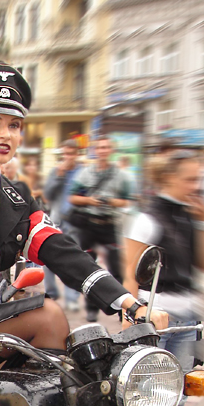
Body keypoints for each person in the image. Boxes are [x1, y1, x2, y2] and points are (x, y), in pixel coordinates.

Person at [0, 64, 167, 373]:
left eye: (14, 125)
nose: (5, 134)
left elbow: (62, 251)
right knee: (47, 316)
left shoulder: (17, 196)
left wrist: (128, 303)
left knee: (73, 370)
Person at [123, 150, 204, 406]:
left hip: (187, 318)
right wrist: (130, 316)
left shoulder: (189, 215)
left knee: (176, 394)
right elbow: (130, 272)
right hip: (155, 315)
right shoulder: (146, 217)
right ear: (168, 178)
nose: (195, 186)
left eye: (198, 179)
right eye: (190, 179)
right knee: (135, 392)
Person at [69, 135, 132, 322]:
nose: (103, 151)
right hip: (88, 224)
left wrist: (111, 202)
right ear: (95, 150)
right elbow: (72, 198)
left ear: (111, 150)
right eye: (100, 147)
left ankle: (123, 308)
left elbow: (127, 200)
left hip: (109, 224)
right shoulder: (85, 173)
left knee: (116, 269)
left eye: (106, 147)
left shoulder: (120, 175)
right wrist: (90, 200)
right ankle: (91, 309)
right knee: (89, 268)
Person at [42, 140, 82, 310]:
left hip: (75, 222)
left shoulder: (83, 173)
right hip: (56, 219)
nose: (68, 157)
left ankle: (72, 298)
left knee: (73, 260)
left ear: (77, 154)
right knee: (47, 256)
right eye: (65, 154)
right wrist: (59, 175)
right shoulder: (56, 171)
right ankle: (51, 293)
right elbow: (47, 195)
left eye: (71, 153)